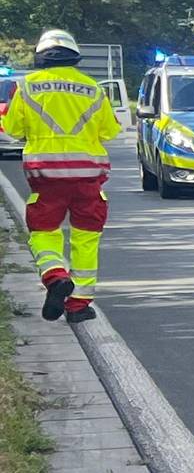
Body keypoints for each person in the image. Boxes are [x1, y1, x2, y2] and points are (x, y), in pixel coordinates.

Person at [1, 30, 119, 324]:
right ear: (74, 56)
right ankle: (78, 306)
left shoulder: (27, 87)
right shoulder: (93, 88)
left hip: (46, 177)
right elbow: (109, 131)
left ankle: (55, 277)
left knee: (43, 231)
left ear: (41, 56)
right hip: (88, 178)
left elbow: (13, 130)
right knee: (86, 238)